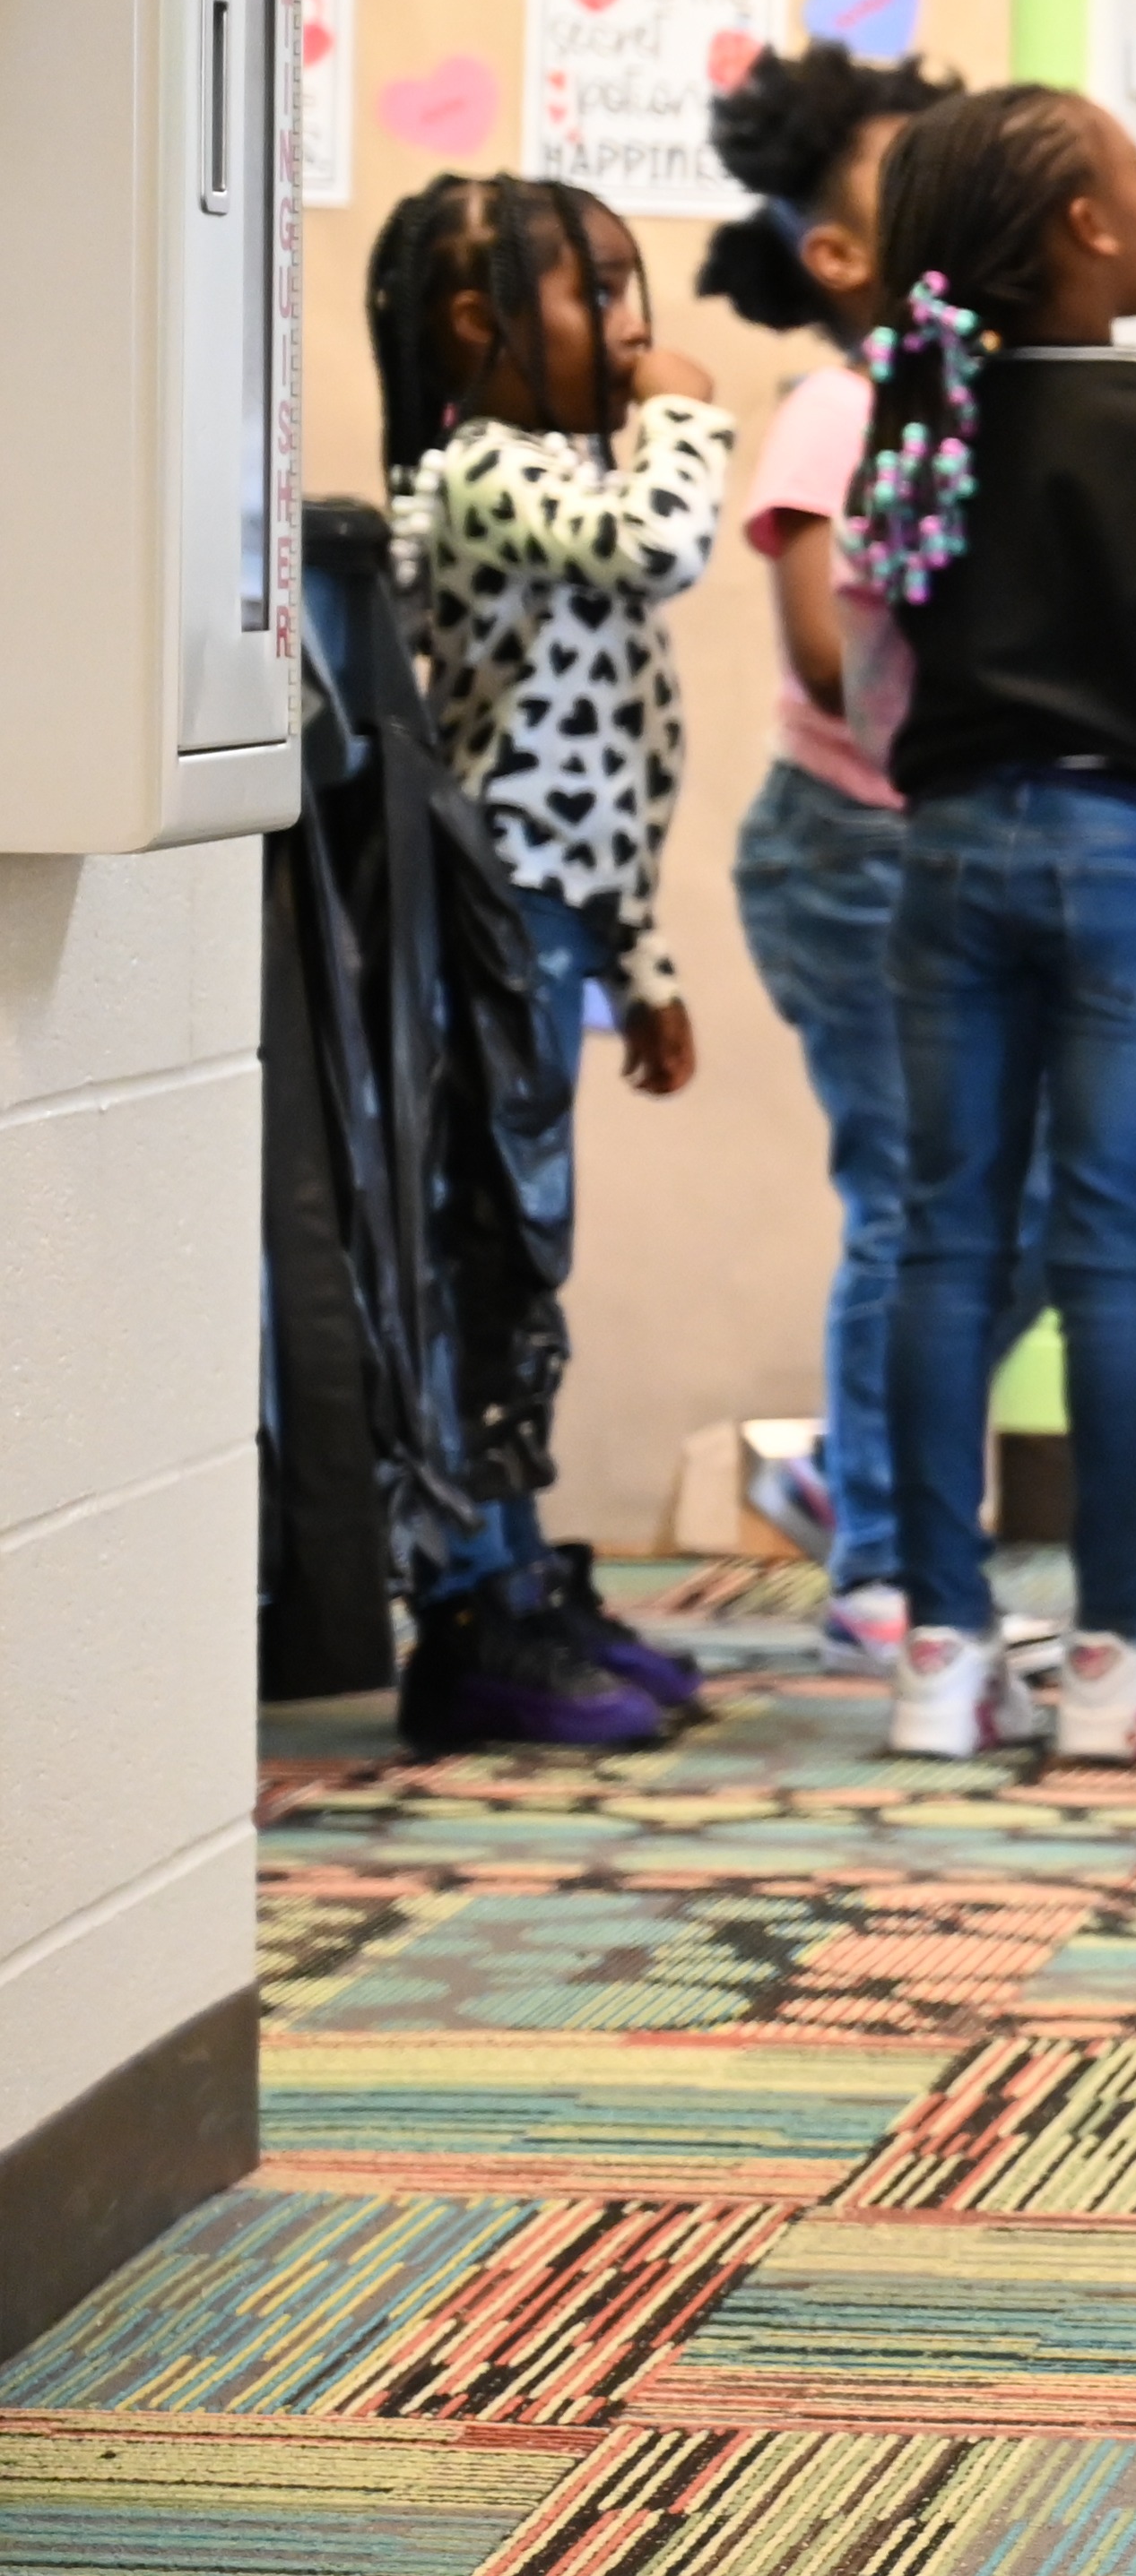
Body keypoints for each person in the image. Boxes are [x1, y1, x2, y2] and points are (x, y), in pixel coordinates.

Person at [854, 88, 1136, 1762]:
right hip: (1135, 856)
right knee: (1112, 1253)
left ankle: (938, 1654)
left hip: (952, 848)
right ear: (1085, 228)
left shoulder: (924, 438)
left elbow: (876, 672)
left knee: (942, 1239)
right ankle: (1116, 1655)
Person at [368, 171, 728, 1750]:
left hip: (555, 913)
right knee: (488, 1254)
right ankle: (473, 1605)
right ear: (479, 323)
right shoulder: (488, 471)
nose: (638, 329)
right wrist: (691, 414)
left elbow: (613, 768)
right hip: (495, 914)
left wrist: (642, 960)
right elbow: (661, 546)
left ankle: (518, 1577)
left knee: (523, 1254)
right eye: (601, 292)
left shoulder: (541, 472)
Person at [705, 39, 1025, 1663]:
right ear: (840, 256)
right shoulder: (843, 408)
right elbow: (836, 653)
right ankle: (884, 1562)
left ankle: (852, 1469)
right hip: (848, 853)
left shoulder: (992, 395)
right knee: (909, 1197)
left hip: (957, 847)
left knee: (1026, 1206)